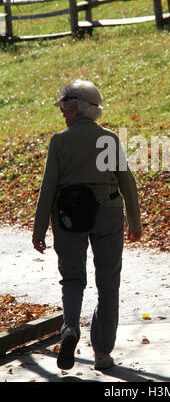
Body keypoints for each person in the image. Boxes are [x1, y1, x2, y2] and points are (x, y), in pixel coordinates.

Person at [32, 79, 142, 371]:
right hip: (107, 213)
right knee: (108, 282)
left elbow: (49, 188)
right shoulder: (108, 139)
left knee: (72, 280)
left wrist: (39, 229)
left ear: (76, 108)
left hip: (68, 216)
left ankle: (69, 328)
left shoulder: (59, 141)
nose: (62, 113)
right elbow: (126, 182)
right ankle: (103, 353)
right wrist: (135, 221)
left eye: (65, 108)